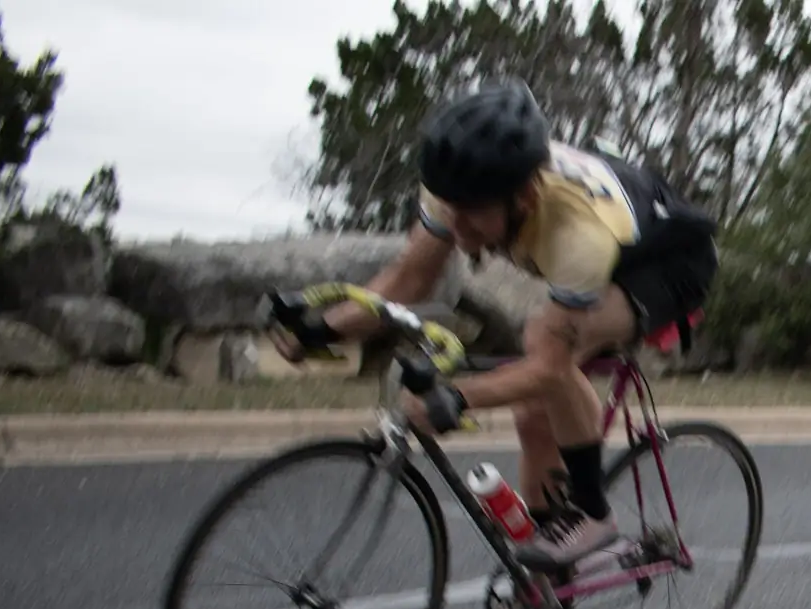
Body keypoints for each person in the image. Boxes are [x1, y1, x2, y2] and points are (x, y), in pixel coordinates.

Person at [271, 79, 717, 571]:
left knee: (542, 342)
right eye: (450, 213)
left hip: (669, 265)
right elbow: (409, 278)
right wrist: (321, 330)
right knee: (530, 414)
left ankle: (594, 516)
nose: (457, 234)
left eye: (472, 218)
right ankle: (550, 563)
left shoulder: (575, 237)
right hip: (611, 231)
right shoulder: (462, 188)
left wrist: (459, 397)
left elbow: (549, 365)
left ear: (524, 196)